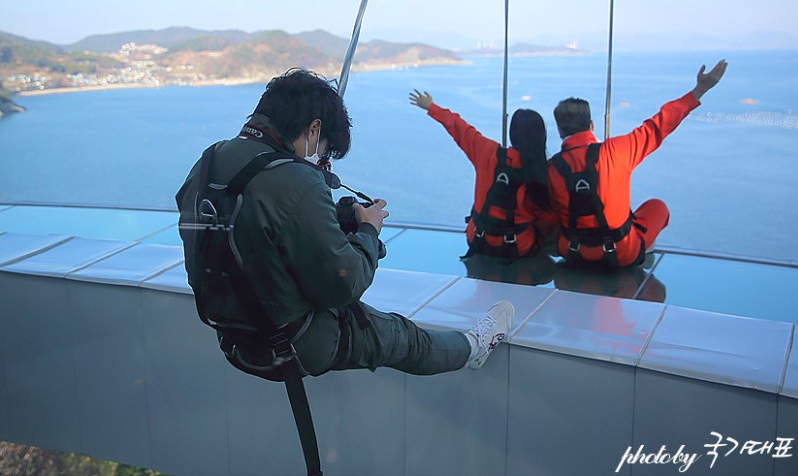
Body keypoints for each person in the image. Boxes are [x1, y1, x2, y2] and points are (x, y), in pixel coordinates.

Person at [176, 68, 513, 381]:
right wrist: (368, 231)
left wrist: (333, 218)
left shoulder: (208, 161)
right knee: (401, 336)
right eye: (324, 151)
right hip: (291, 343)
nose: (320, 160)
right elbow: (344, 285)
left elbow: (255, 228)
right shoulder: (297, 179)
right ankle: (475, 346)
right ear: (313, 129)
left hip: (235, 337)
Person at [548, 59, 728, 268]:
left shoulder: (553, 167)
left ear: (560, 130)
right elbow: (661, 124)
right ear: (591, 125)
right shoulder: (617, 151)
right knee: (657, 207)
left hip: (573, 253)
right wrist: (700, 89)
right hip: (622, 253)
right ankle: (643, 257)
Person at [409, 90, 556, 262]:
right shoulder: (544, 170)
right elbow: (548, 219)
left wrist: (431, 106)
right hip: (518, 246)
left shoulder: (488, 153)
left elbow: (460, 128)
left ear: (512, 133)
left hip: (479, 238)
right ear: (541, 136)